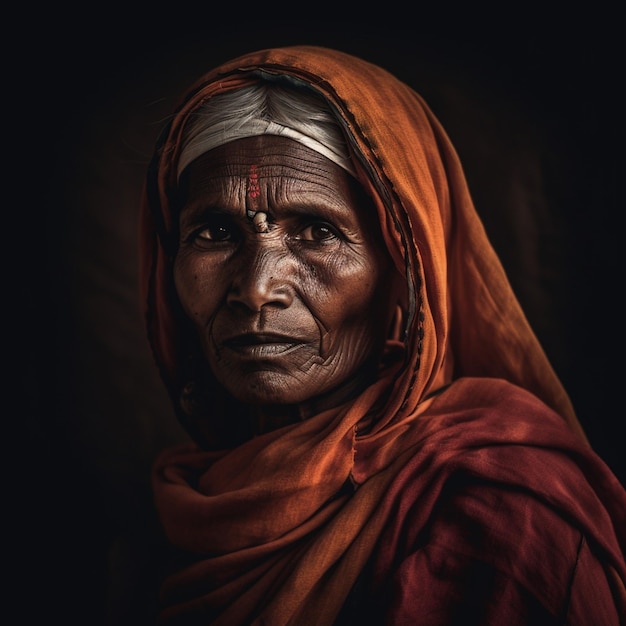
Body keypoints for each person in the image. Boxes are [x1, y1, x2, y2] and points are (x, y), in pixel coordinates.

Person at [139, 45, 626, 625]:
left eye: (318, 231)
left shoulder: (498, 511)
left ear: (407, 271)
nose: (257, 288)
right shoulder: (178, 506)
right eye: (215, 232)